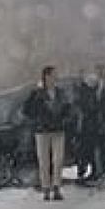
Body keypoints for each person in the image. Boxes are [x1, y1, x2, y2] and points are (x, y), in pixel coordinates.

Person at [23, 65, 69, 201]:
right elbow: (26, 110)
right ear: (46, 77)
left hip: (58, 130)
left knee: (58, 159)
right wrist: (38, 117)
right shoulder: (37, 93)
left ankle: (56, 187)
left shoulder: (60, 93)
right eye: (53, 75)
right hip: (42, 131)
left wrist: (65, 118)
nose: (55, 78)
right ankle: (46, 188)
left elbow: (68, 108)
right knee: (44, 161)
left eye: (56, 75)